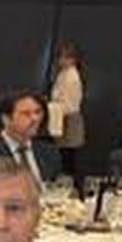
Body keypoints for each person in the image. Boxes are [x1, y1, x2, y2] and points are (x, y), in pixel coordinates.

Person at [0, 92, 61, 185]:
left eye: (37, 112)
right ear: (6, 119)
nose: (35, 118)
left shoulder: (48, 151)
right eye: (26, 114)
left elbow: (59, 186)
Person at [50, 41, 85, 179]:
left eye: (65, 58)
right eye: (61, 57)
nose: (61, 61)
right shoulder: (62, 74)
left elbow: (69, 105)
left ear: (73, 59)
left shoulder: (72, 77)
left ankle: (67, 185)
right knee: (62, 156)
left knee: (67, 158)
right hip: (60, 118)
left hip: (68, 120)